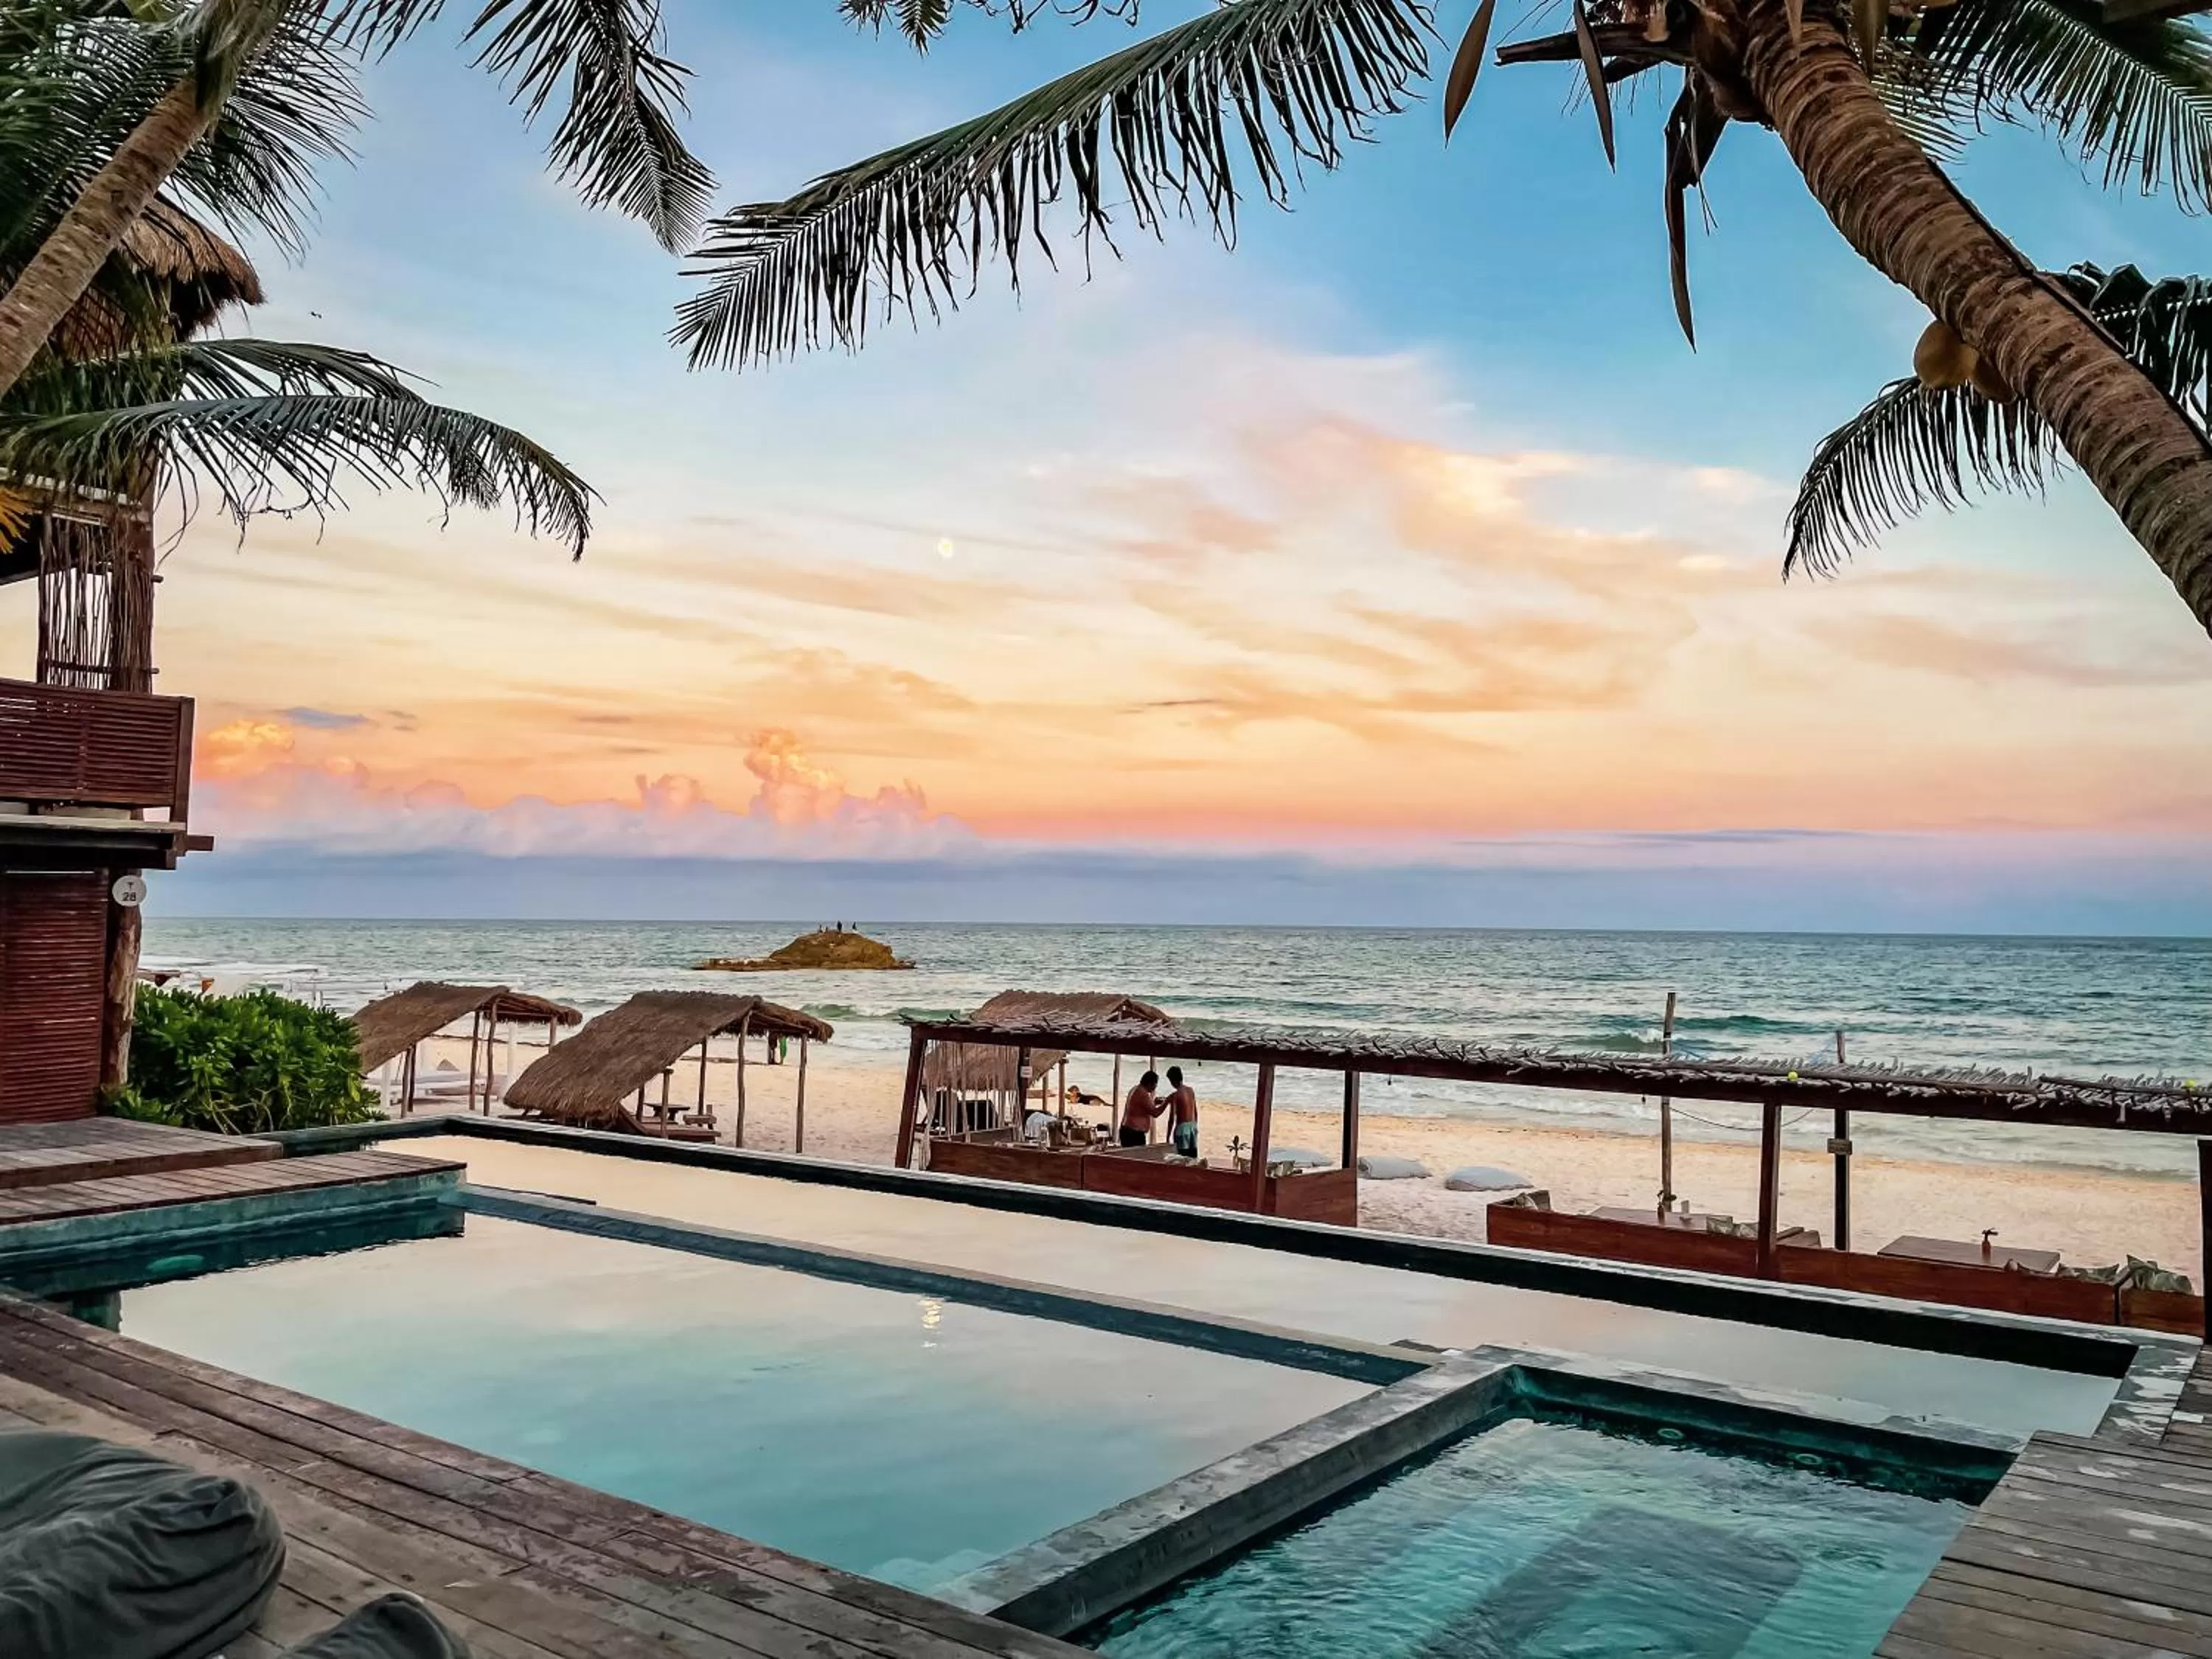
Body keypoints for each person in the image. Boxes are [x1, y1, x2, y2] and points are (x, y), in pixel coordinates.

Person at [1164, 1065, 1199, 1158]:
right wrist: (1195, 1126)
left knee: (1182, 1158)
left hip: (1182, 1128)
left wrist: (1167, 1137)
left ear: (1173, 1081)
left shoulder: (1175, 1096)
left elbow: (1171, 1119)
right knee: (1193, 1157)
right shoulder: (1191, 1090)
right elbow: (1195, 1111)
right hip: (1192, 1126)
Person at [1119, 1071, 1161, 1147]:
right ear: (1150, 1083)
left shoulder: (1135, 1089)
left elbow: (1141, 1107)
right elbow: (1155, 1113)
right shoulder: (1143, 1094)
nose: (1155, 1087)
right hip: (1134, 1133)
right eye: (1155, 1084)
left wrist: (1154, 1103)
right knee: (1137, 1156)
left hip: (1127, 1130)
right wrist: (1167, 1102)